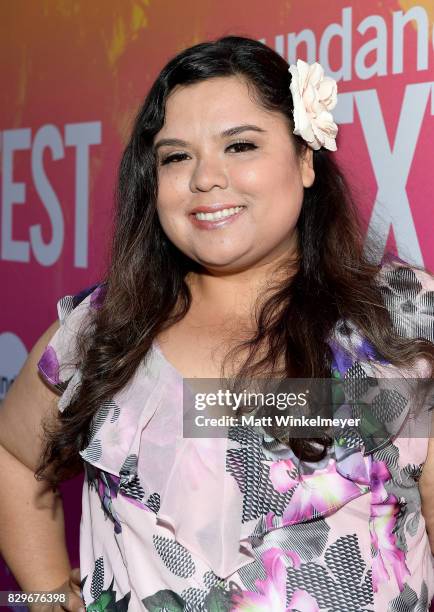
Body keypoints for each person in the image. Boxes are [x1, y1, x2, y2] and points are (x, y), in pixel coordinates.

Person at [0, 35, 433, 612]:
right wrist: (46, 594)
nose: (205, 179)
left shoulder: (401, 321)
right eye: (177, 156)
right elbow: (12, 456)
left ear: (305, 158)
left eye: (241, 146)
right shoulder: (100, 331)